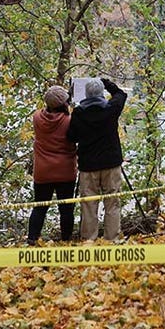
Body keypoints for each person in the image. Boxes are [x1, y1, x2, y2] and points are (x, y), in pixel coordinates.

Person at [66, 77, 127, 241]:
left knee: (88, 204)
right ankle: (111, 239)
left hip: (88, 165)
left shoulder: (79, 113)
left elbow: (71, 137)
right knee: (112, 202)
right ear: (102, 93)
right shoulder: (111, 109)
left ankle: (89, 240)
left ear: (85, 94)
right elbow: (120, 94)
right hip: (111, 163)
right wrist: (106, 82)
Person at [28, 85, 78, 245]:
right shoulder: (69, 121)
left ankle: (32, 239)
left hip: (43, 171)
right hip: (65, 171)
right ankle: (66, 240)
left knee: (40, 207)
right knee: (66, 209)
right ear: (64, 104)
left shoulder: (37, 118)